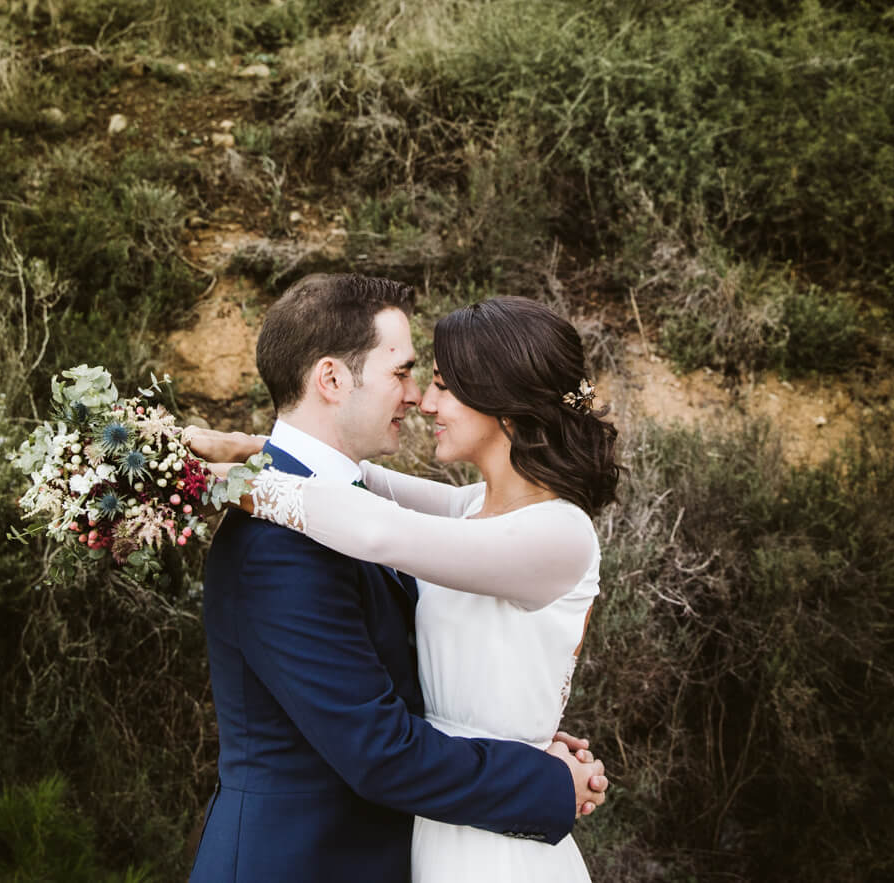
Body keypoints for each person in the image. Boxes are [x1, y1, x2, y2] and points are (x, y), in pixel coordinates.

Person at [188, 275, 608, 883]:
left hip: (482, 841)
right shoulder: (460, 511)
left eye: (442, 384)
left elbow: (379, 528)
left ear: (506, 407)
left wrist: (227, 478)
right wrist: (238, 449)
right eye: (410, 374)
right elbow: (365, 494)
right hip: (333, 852)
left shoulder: (555, 533)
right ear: (331, 379)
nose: (423, 401)